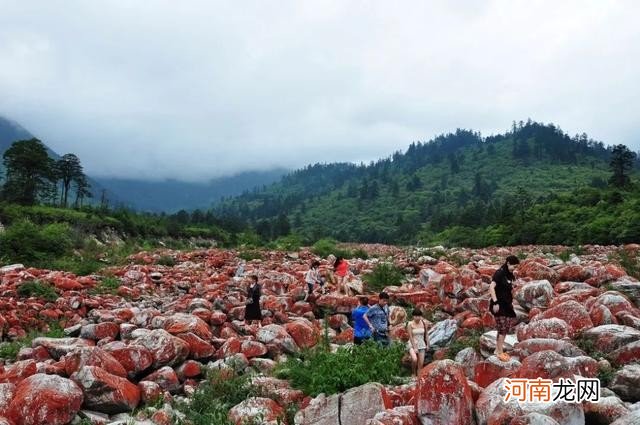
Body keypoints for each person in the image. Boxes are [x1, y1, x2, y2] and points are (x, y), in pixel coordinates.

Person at [489, 255, 520, 361]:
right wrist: (495, 302)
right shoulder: (500, 273)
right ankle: (499, 352)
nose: (514, 269)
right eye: (513, 266)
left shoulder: (510, 274)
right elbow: (491, 287)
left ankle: (497, 349)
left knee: (504, 328)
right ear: (508, 263)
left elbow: (510, 286)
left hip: (507, 305)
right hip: (499, 305)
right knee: (502, 328)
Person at [406, 310, 430, 376]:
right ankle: (413, 372)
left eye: (419, 316)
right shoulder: (410, 324)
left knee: (421, 364)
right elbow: (410, 336)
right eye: (416, 316)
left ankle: (418, 377)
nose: (417, 318)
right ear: (413, 316)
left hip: (422, 344)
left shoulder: (424, 323)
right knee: (414, 359)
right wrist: (415, 347)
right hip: (412, 343)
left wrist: (428, 344)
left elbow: (426, 334)